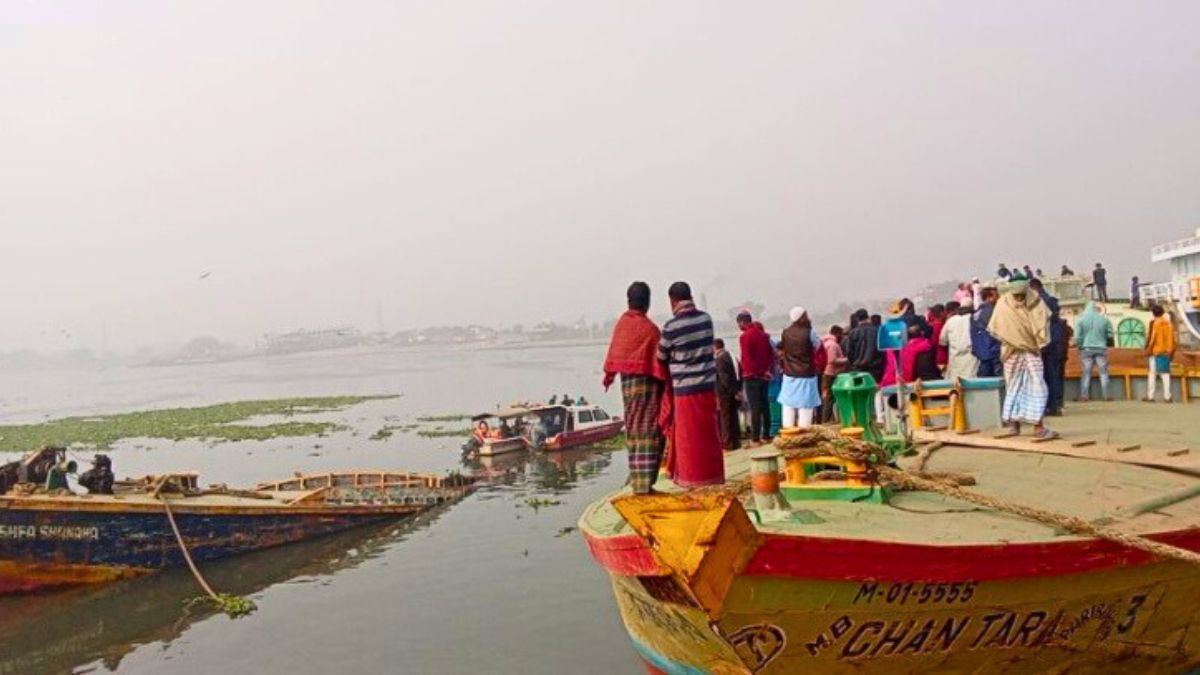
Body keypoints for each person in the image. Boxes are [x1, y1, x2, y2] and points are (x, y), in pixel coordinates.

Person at [602, 281, 670, 494]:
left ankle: (639, 483)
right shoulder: (650, 329)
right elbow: (660, 362)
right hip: (648, 389)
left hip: (628, 389)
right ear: (647, 303)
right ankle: (644, 486)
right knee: (650, 433)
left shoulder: (622, 325)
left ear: (629, 301)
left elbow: (614, 355)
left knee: (634, 433)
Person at [657, 282, 724, 487]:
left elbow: (661, 355)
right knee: (709, 436)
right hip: (707, 387)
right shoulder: (706, 319)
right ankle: (713, 477)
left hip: (684, 391)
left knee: (688, 440)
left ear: (672, 301)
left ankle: (691, 480)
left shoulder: (671, 327)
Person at [987, 275, 1057, 438]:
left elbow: (1042, 325)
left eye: (1021, 294)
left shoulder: (1037, 302)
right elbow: (998, 328)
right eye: (1016, 295)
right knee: (1013, 387)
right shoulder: (1003, 303)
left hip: (1031, 351)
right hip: (1011, 351)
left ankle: (1038, 427)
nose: (1018, 298)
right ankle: (1013, 425)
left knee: (1037, 386)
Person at [777, 307, 823, 428]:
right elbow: (817, 346)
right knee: (805, 404)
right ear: (802, 317)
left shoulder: (785, 332)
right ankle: (804, 430)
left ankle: (788, 430)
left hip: (789, 373)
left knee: (788, 403)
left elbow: (781, 347)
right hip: (807, 373)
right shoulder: (810, 332)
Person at [736, 311, 775, 444]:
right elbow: (771, 355)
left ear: (742, 322)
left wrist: (755, 372)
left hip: (752, 376)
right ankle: (767, 435)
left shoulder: (745, 337)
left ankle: (755, 438)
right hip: (764, 376)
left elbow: (747, 358)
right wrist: (766, 371)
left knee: (755, 408)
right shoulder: (764, 335)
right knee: (765, 405)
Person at [1030, 278, 1066, 416]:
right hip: (1055, 344)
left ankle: (1045, 405)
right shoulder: (1052, 301)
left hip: (1044, 344)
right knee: (1053, 375)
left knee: (1042, 377)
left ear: (1034, 289)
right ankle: (1055, 405)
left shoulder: (1038, 303)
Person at [1074, 302, 1112, 402]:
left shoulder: (1081, 320)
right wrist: (1104, 341)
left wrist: (1080, 346)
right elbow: (1110, 336)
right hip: (1101, 348)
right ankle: (1106, 395)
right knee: (1103, 372)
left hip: (1086, 349)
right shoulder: (1104, 320)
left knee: (1086, 373)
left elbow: (1077, 337)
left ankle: (1084, 396)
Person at [713, 338, 742, 450]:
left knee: (725, 419)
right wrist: (738, 390)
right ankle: (736, 442)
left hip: (725, 393)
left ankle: (727, 443)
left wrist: (733, 391)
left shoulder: (720, 360)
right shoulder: (731, 356)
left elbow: (724, 378)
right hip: (734, 390)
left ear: (715, 347)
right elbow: (738, 373)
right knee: (734, 417)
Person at [1144, 304, 1176, 403]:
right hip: (1166, 351)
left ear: (1153, 313)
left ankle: (1150, 396)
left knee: (1152, 374)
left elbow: (1153, 338)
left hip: (1156, 351)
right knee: (1165, 374)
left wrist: (1148, 349)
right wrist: (1171, 351)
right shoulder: (1169, 323)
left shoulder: (1155, 323)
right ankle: (1167, 396)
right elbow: (1173, 339)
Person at [941, 300, 979, 381]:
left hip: (955, 362)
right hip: (972, 361)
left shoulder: (951, 321)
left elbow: (942, 341)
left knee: (956, 388)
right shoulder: (974, 319)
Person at [820, 325, 849, 423]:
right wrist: (846, 360)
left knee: (827, 398)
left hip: (826, 372)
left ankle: (827, 419)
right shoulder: (832, 344)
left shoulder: (825, 342)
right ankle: (826, 421)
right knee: (829, 399)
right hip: (831, 373)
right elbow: (832, 360)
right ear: (837, 334)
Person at [971, 287, 1003, 377]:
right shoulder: (993, 311)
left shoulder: (975, 313)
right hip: (994, 352)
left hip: (981, 353)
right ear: (990, 297)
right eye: (997, 296)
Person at [845, 309, 884, 381]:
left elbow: (849, 352)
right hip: (876, 369)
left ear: (857, 319)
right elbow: (883, 350)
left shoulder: (853, 333)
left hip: (858, 370)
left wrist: (854, 363)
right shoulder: (877, 331)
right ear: (868, 317)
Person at [927, 304, 949, 368]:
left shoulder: (930, 326)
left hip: (933, 358)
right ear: (942, 313)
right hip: (943, 358)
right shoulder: (942, 327)